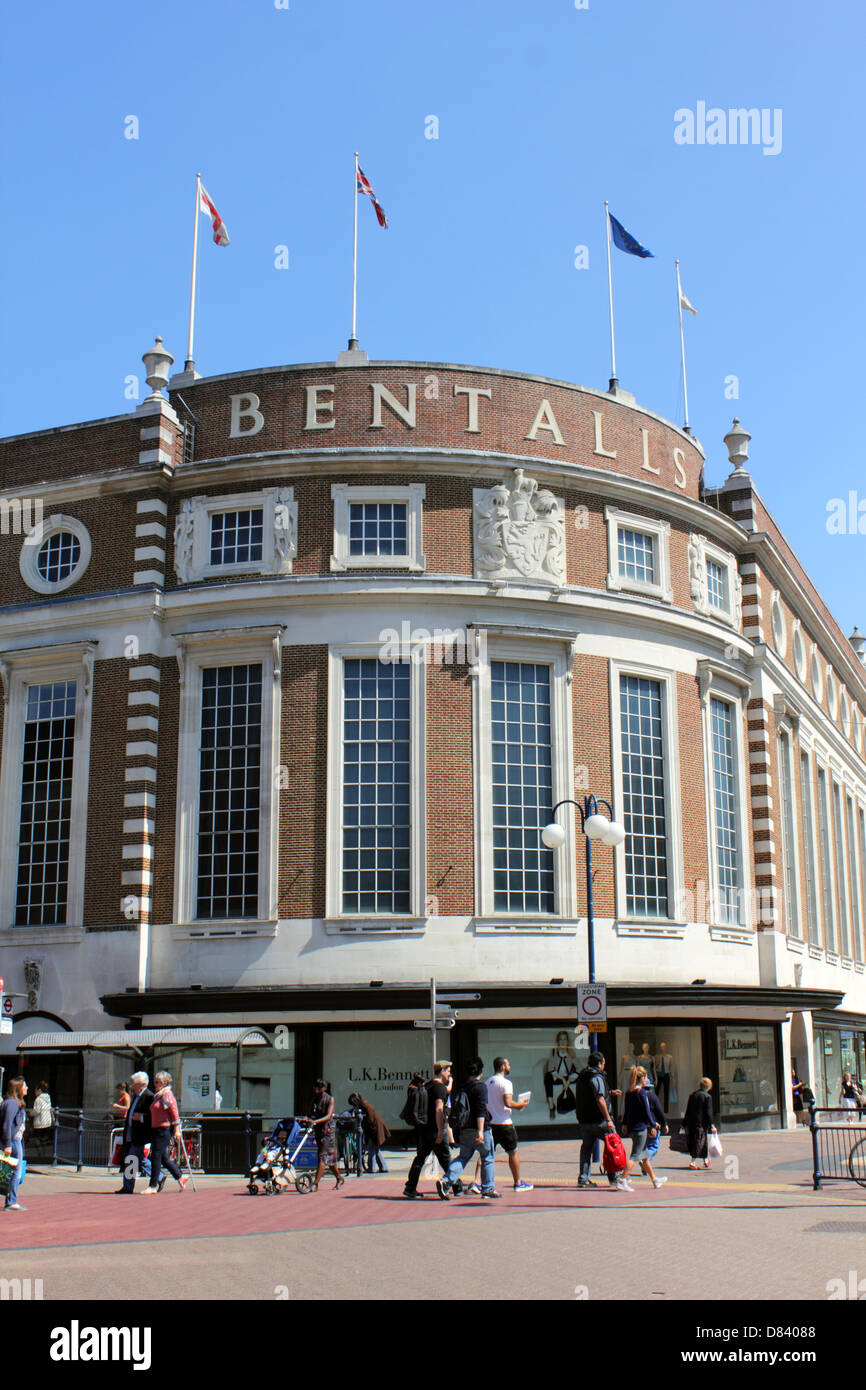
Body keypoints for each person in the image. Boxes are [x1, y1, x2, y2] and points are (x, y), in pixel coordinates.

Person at [437, 1058, 499, 1200]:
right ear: (480, 1071)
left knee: (463, 1157)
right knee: (487, 1157)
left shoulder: (462, 1086)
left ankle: (446, 1181)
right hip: (480, 1129)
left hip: (464, 1128)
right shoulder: (480, 1087)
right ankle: (488, 1189)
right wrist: (480, 1130)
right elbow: (480, 1110)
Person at [575, 1051, 632, 1191]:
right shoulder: (597, 1077)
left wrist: (610, 1092)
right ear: (599, 1063)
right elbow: (599, 1098)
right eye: (604, 1063)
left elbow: (591, 1093)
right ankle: (614, 1177)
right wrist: (608, 1119)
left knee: (586, 1148)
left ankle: (583, 1178)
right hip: (599, 1120)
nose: (604, 1066)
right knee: (612, 1145)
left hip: (584, 1120)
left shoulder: (582, 1076)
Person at [403, 1061, 453, 1198]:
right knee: (446, 1158)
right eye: (448, 1070)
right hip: (435, 1129)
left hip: (423, 1128)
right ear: (442, 1071)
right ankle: (456, 1185)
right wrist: (440, 1130)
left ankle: (410, 1187)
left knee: (420, 1159)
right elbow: (439, 1109)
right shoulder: (439, 1088)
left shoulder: (427, 1086)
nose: (449, 1073)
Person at [485, 1057, 533, 1192]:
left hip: (491, 1123)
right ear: (502, 1067)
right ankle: (518, 1182)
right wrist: (520, 1105)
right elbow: (508, 1102)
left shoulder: (488, 1082)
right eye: (507, 1064)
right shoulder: (506, 1083)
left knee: (486, 1153)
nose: (509, 1066)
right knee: (513, 1152)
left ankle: (477, 1181)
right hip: (505, 1123)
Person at [622, 1067, 667, 1189]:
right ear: (642, 1079)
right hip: (640, 1128)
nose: (647, 1080)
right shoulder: (641, 1093)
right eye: (646, 1077)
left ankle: (655, 1180)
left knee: (644, 1156)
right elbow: (646, 1111)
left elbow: (627, 1111)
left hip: (632, 1127)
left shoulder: (629, 1092)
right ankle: (622, 1179)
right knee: (635, 1155)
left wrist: (624, 1124)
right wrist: (653, 1123)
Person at [144, 1071, 188, 1194]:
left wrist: (177, 1129)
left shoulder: (166, 1094)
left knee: (156, 1156)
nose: (155, 1084)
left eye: (157, 1082)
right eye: (155, 1081)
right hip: (157, 1128)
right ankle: (180, 1176)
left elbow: (174, 1112)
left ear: (164, 1083)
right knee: (163, 1157)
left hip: (163, 1129)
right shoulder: (158, 1095)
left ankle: (152, 1185)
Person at [117, 1071, 154, 1193]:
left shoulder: (148, 1096)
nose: (132, 1086)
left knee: (131, 1158)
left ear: (142, 1084)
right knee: (140, 1159)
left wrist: (141, 1117)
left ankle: (128, 1186)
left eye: (135, 1084)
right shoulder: (136, 1096)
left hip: (140, 1134)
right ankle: (158, 1176)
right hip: (132, 1132)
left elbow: (152, 1115)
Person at [307, 1079, 344, 1191]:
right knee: (330, 1160)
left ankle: (315, 1184)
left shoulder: (329, 1099)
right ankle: (339, 1178)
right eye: (315, 1087)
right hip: (319, 1131)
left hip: (328, 1132)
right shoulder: (314, 1099)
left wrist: (315, 1121)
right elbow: (309, 1113)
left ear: (324, 1088)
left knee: (322, 1157)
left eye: (318, 1087)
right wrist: (307, 1119)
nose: (315, 1089)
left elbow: (328, 1116)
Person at [1, 1078, 28, 1212]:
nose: (27, 1088)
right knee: (15, 1172)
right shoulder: (12, 1104)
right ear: (18, 1089)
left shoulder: (12, 1103)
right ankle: (11, 1201)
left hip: (14, 1140)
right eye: (24, 1086)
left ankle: (11, 1200)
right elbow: (7, 1124)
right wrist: (7, 1144)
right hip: (13, 1141)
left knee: (13, 1171)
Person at [347, 1092, 391, 1173]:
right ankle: (383, 1166)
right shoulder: (363, 1105)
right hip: (374, 1128)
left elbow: (370, 1121)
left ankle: (372, 1168)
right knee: (375, 1148)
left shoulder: (365, 1107)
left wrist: (370, 1132)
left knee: (372, 1149)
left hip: (374, 1129)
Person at [543, 1031, 579, 1119]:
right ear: (558, 1041)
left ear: (567, 1041)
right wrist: (563, 1079)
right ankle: (551, 1106)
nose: (563, 1041)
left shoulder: (571, 1053)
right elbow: (551, 1069)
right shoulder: (554, 1052)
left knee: (582, 1078)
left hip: (568, 1077)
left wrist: (569, 1079)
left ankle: (578, 1105)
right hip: (558, 1077)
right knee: (547, 1077)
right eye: (560, 1039)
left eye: (565, 1039)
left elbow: (579, 1068)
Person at [683, 1078, 717, 1169]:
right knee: (699, 1141)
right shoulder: (707, 1097)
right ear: (709, 1086)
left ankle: (705, 1160)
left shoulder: (693, 1095)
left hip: (692, 1123)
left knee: (702, 1141)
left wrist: (684, 1123)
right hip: (701, 1124)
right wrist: (712, 1125)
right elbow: (708, 1113)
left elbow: (688, 1110)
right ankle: (692, 1162)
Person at [30, 1081, 54, 1157]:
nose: (34, 1092)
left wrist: (31, 1113)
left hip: (39, 1122)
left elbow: (37, 1111)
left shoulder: (38, 1099)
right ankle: (45, 1155)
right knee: (44, 1140)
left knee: (37, 1139)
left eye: (35, 1090)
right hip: (47, 1122)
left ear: (39, 1090)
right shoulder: (48, 1098)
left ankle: (40, 1154)